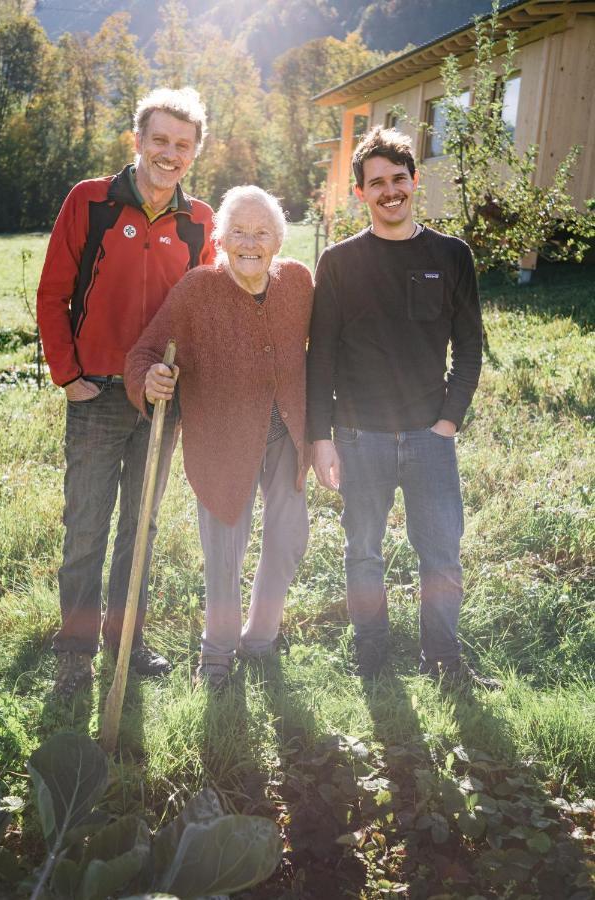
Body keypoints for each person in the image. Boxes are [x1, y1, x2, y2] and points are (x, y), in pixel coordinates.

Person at [37, 87, 215, 698]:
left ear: (194, 154)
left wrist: (183, 378)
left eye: (182, 146)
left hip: (161, 399)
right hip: (98, 395)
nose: (170, 154)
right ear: (137, 140)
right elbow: (51, 293)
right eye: (160, 140)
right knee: (86, 529)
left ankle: (127, 642)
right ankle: (76, 654)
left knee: (141, 530)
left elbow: (200, 313)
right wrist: (69, 377)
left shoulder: (201, 221)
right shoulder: (89, 201)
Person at [307, 126, 497, 688]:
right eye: (376, 183)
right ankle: (373, 656)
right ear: (360, 194)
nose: (389, 191)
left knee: (440, 553)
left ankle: (442, 659)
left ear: (414, 182)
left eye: (398, 179)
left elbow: (469, 347)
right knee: (363, 550)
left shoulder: (451, 255)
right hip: (358, 435)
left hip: (427, 435)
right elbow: (320, 357)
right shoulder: (339, 263)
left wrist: (448, 421)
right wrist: (322, 436)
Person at [125, 185, 313, 690]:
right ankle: (216, 657)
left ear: (277, 240)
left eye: (261, 232)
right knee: (224, 551)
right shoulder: (196, 290)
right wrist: (150, 380)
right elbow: (144, 355)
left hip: (285, 434)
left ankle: (259, 638)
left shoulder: (298, 281)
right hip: (221, 442)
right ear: (221, 238)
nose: (249, 242)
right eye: (239, 232)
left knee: (290, 538)